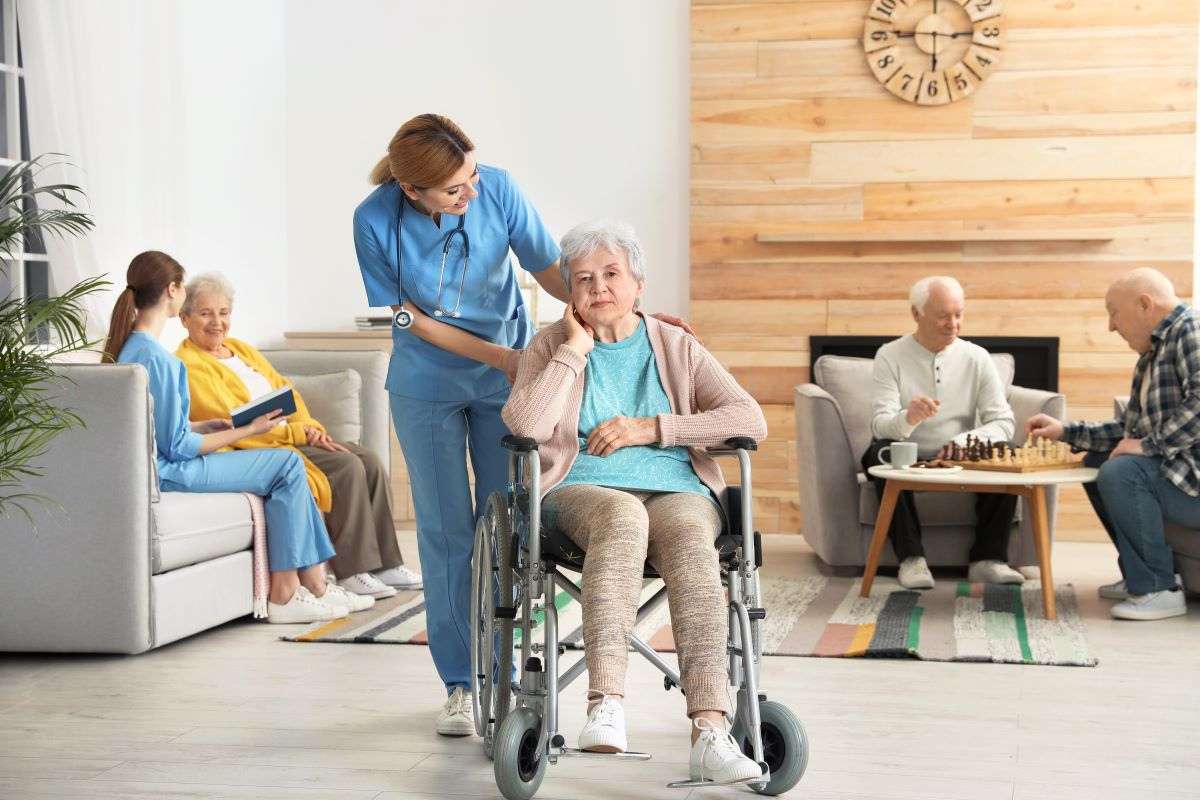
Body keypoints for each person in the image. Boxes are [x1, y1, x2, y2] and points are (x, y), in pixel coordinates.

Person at [352, 114, 693, 736]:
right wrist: (504, 358)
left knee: (507, 524)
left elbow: (550, 271)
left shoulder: (499, 188)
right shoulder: (374, 220)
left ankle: (503, 669)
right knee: (447, 532)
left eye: (472, 175)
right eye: (455, 188)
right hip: (428, 385)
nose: (471, 191)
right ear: (411, 190)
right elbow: (407, 317)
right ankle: (461, 683)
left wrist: (622, 313)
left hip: (508, 384)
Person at [502, 220, 766, 786]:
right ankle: (606, 704)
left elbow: (750, 419)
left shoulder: (676, 345)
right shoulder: (549, 346)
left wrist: (654, 428)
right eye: (583, 278)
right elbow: (524, 425)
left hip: (676, 488)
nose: (598, 287)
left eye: (611, 274)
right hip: (580, 492)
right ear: (570, 292)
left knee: (692, 537)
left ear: (638, 283)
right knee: (623, 516)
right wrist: (574, 352)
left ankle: (711, 730)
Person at [103, 251, 365, 624]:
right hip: (170, 471)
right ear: (173, 291)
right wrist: (247, 430)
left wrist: (204, 425)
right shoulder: (161, 359)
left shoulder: (133, 347)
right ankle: (287, 593)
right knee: (287, 465)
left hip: (159, 464)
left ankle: (314, 583)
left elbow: (155, 429)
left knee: (288, 463)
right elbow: (178, 449)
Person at [176, 272, 422, 600]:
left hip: (291, 435)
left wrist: (311, 428)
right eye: (206, 313)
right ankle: (352, 571)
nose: (217, 322)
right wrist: (298, 433)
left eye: (223, 312)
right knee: (346, 467)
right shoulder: (189, 364)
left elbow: (286, 391)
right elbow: (233, 424)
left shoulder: (240, 349)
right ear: (185, 318)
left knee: (369, 460)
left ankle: (387, 564)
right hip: (260, 445)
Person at [1027, 267, 1193, 621]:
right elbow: (1128, 430)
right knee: (1099, 461)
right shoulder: (1153, 353)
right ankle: (1139, 575)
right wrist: (1065, 431)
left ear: (1145, 304)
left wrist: (1149, 446)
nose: (1111, 326)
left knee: (1122, 472)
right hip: (1180, 477)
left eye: (1114, 313)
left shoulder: (1190, 331)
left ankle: (1159, 588)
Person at [862, 276, 1023, 590]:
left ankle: (988, 560)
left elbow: (1003, 421)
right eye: (943, 316)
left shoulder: (977, 357)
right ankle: (911, 559)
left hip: (959, 456)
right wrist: (908, 417)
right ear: (916, 314)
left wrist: (963, 443)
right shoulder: (890, 355)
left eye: (959, 314)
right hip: (909, 454)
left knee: (1008, 451)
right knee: (878, 452)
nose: (953, 324)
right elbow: (880, 425)